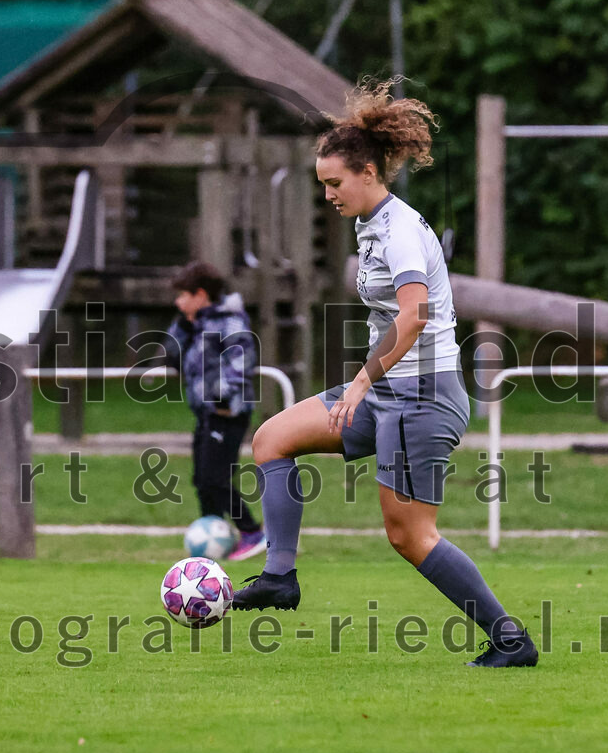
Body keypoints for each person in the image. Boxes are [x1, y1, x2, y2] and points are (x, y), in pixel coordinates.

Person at [231, 78, 538, 668]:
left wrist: (363, 381)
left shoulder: (399, 231)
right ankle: (279, 578)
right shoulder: (369, 222)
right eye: (322, 184)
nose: (328, 195)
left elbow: (415, 315)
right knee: (272, 438)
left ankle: (510, 639)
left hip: (423, 397)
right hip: (389, 389)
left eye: (334, 183)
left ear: (369, 173)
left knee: (409, 536)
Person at [163, 261, 267, 561]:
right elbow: (171, 356)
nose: (178, 301)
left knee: (216, 478)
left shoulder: (229, 321)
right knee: (201, 480)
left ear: (201, 294)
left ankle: (251, 533)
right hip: (205, 413)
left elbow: (242, 360)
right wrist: (182, 327)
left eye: (183, 295)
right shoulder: (195, 324)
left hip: (227, 413)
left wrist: (221, 399)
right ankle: (214, 538)